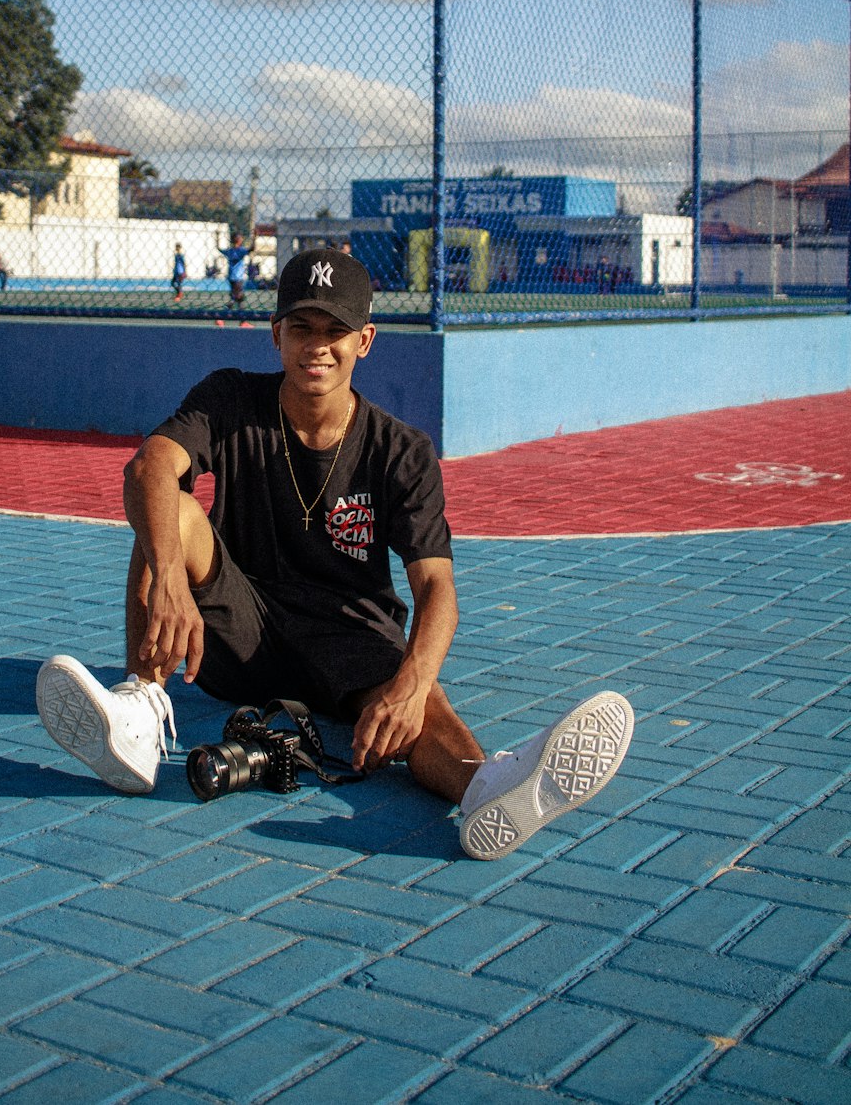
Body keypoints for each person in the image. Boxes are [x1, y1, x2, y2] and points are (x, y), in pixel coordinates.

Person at [36, 248, 633, 861]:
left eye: (335, 331)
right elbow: (148, 468)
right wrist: (168, 577)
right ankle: (138, 713)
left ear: (365, 340)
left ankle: (488, 787)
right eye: (302, 327)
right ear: (276, 335)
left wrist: (413, 681)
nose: (317, 346)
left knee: (419, 700)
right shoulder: (231, 399)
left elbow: (436, 589)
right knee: (167, 507)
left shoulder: (403, 450)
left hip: (347, 636)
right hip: (239, 629)